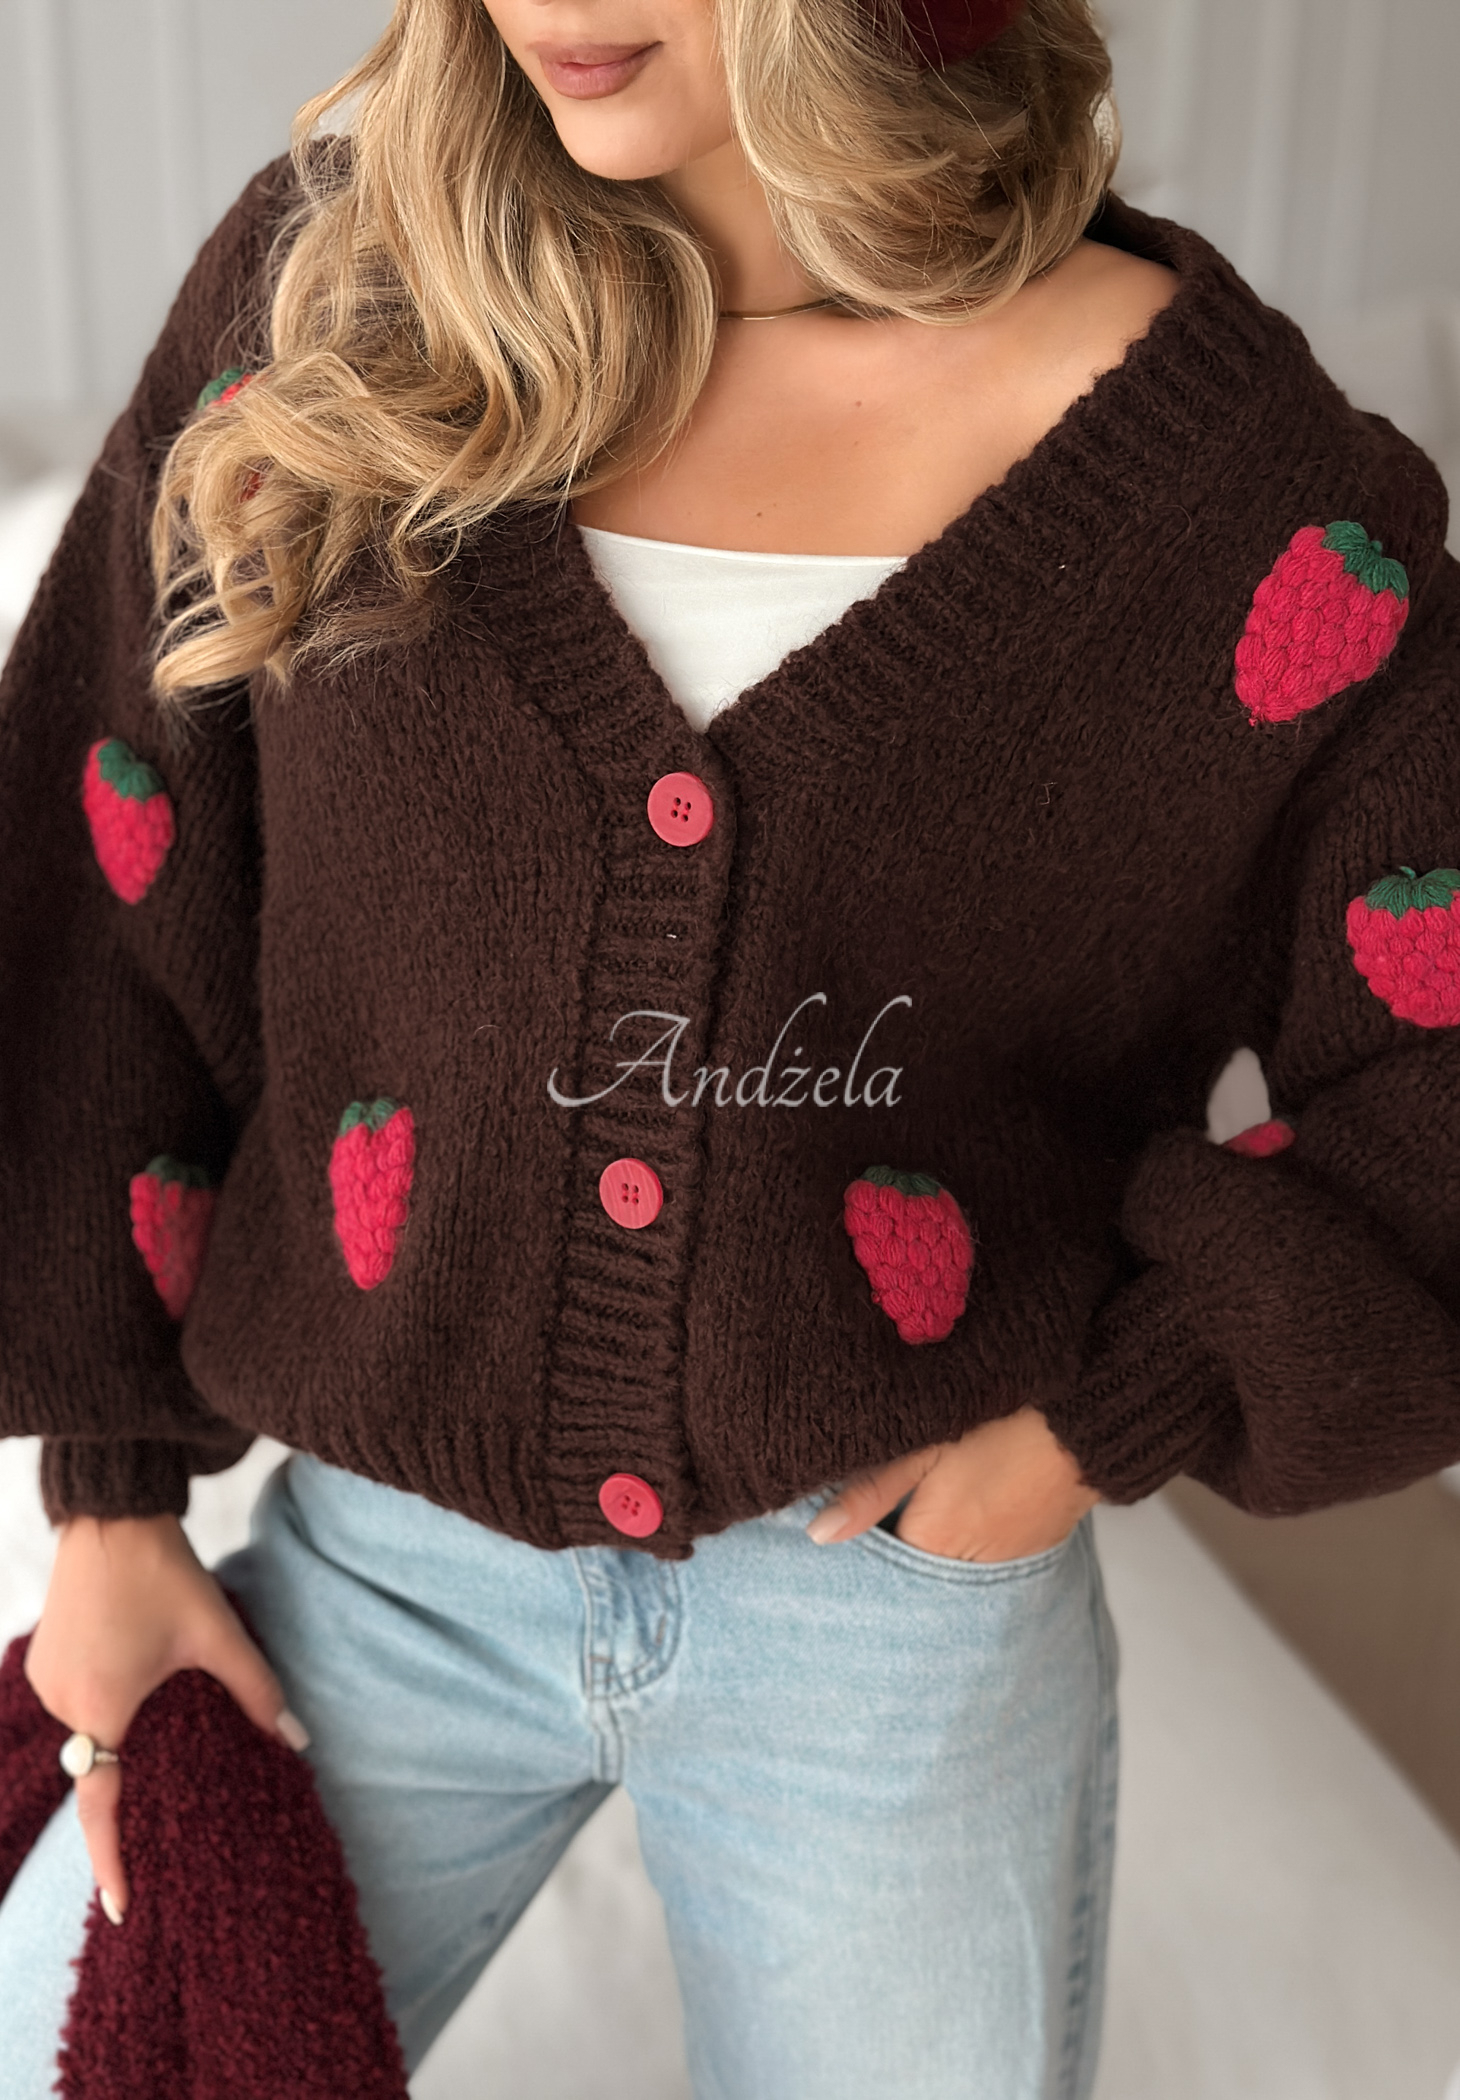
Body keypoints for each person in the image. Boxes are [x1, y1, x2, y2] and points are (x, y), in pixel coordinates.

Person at [1, 0, 1457, 2093]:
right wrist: (111, 1509)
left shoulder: (1239, 493)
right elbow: (108, 854)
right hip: (379, 1572)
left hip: (891, 1621)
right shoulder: (337, 302)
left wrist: (1103, 1416)